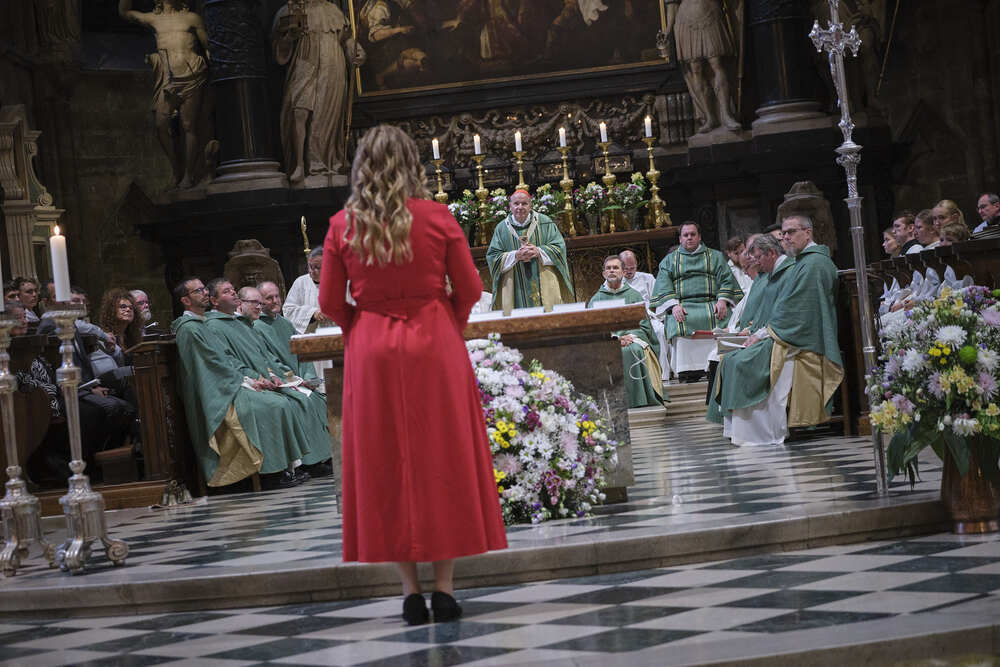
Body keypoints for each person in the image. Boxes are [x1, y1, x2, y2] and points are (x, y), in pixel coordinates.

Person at [318, 124, 507, 626]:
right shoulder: (437, 216)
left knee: (385, 463)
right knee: (441, 459)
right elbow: (470, 287)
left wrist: (362, 328)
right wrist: (446, 322)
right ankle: (443, 590)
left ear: (361, 167)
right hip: (434, 341)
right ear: (411, 163)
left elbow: (330, 301)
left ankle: (409, 593)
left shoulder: (341, 226)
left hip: (372, 349)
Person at [713, 215, 843, 445]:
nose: (786, 238)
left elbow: (799, 312)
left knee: (741, 361)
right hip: (791, 333)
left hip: (804, 340)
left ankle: (762, 432)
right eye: (784, 233)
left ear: (808, 232)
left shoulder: (813, 265)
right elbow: (790, 309)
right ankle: (744, 431)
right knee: (732, 358)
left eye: (791, 232)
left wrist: (764, 333)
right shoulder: (803, 262)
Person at [172, 277, 311, 489]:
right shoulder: (190, 329)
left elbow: (225, 362)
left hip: (231, 384)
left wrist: (252, 379)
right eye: (198, 291)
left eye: (204, 289)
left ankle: (286, 469)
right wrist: (247, 381)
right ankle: (270, 475)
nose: (204, 293)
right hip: (217, 396)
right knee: (273, 405)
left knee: (279, 401)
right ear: (185, 300)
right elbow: (210, 368)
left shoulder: (201, 324)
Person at [204, 279, 332, 479]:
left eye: (276, 297)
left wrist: (277, 375)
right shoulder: (214, 326)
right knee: (288, 403)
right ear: (214, 300)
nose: (265, 304)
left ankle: (320, 458)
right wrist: (260, 377)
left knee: (315, 399)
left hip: (269, 379)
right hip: (244, 384)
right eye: (227, 291)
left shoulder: (242, 324)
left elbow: (264, 357)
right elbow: (229, 361)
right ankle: (294, 466)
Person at [118, 0, 212, 189]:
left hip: (191, 75)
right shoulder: (154, 19)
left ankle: (188, 175)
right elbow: (125, 13)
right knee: (160, 124)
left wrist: (212, 69)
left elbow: (208, 46)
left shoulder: (191, 18)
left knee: (188, 125)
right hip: (168, 79)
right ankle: (176, 169)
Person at [272, 0, 365, 186]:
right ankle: (299, 164)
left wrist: (355, 49)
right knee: (299, 111)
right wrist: (289, 37)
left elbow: (345, 39)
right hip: (304, 63)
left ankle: (323, 163)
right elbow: (278, 51)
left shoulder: (332, 10)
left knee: (327, 113)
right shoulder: (286, 11)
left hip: (332, 66)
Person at [707, 234, 793, 417]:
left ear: (771, 253)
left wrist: (755, 332)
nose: (755, 262)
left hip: (778, 337)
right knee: (727, 358)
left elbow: (783, 315)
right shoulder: (767, 279)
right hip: (764, 333)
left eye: (756, 258)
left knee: (734, 360)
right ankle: (735, 421)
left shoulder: (780, 276)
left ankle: (748, 420)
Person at [650, 221, 743, 382]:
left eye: (693, 234)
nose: (689, 238)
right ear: (680, 239)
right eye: (685, 235)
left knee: (722, 316)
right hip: (683, 305)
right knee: (679, 320)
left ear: (699, 237)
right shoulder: (669, 260)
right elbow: (663, 284)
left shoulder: (715, 256)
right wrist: (673, 305)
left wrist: (723, 300)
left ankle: (718, 364)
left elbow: (726, 279)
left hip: (712, 302)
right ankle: (687, 369)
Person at [587, 256, 663, 408]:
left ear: (623, 272)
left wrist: (630, 336)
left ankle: (639, 400)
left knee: (632, 350)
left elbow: (643, 325)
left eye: (615, 268)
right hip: (607, 341)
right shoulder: (596, 299)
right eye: (608, 268)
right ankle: (612, 402)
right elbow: (593, 329)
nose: (612, 271)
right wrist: (615, 339)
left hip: (632, 339)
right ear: (603, 274)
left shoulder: (634, 295)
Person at [486, 189, 575, 313]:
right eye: (516, 204)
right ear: (510, 206)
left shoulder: (545, 222)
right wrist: (515, 255)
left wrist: (539, 251)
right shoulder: (501, 228)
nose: (520, 207)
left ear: (530, 205)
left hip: (545, 283)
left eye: (524, 203)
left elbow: (559, 248)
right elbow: (493, 257)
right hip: (515, 286)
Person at [253, 281, 319, 382]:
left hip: (303, 381)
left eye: (277, 296)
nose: (275, 301)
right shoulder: (256, 327)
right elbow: (269, 360)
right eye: (269, 298)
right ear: (260, 301)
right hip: (283, 381)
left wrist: (309, 377)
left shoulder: (286, 323)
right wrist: (294, 379)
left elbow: (302, 353)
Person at [284, 247, 332, 333]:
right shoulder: (301, 282)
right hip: (310, 335)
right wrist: (312, 314)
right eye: (310, 266)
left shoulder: (340, 282)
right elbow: (288, 310)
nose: (311, 271)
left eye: (317, 267)